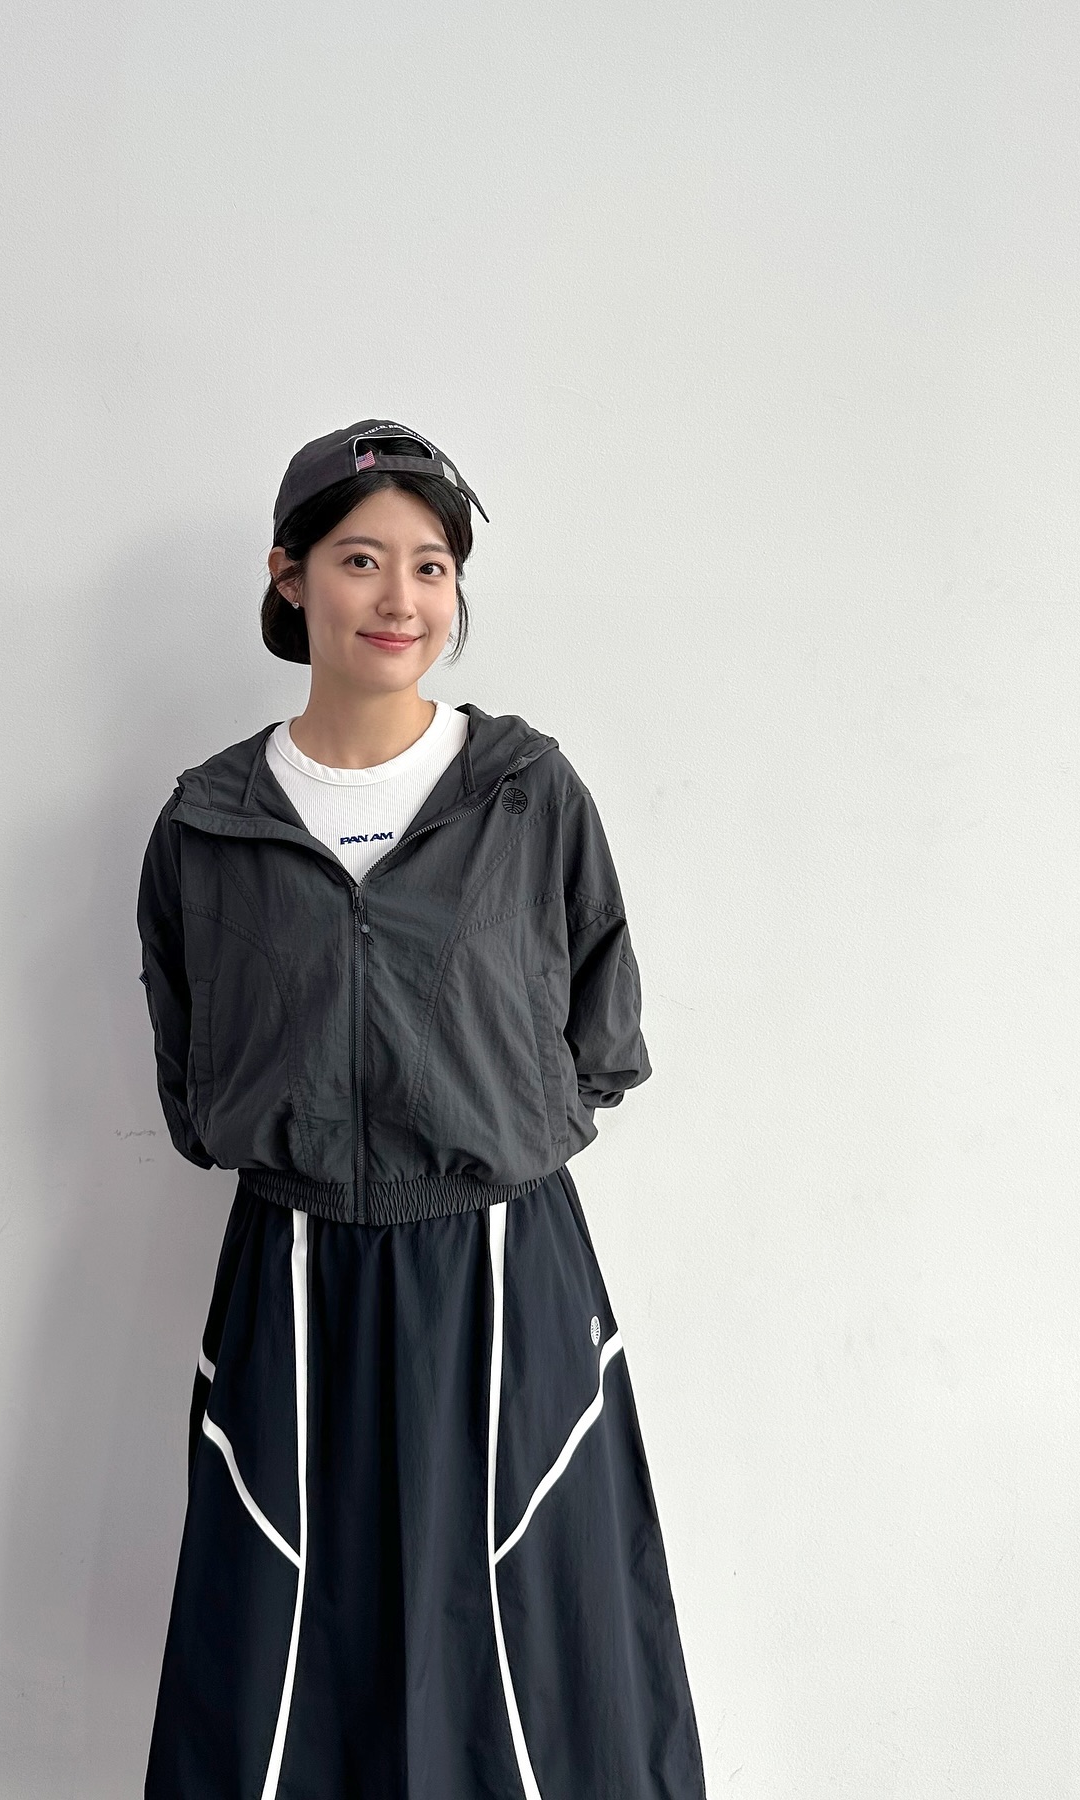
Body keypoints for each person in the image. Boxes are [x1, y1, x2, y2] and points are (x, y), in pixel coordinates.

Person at [136, 418, 707, 1799]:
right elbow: (195, 1076)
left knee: (537, 1654)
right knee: (283, 1654)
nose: (400, 598)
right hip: (292, 1285)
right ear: (289, 577)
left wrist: (482, 1134)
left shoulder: (525, 794)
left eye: (432, 565)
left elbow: (602, 1034)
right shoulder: (209, 821)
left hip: (506, 1274)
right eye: (360, 559)